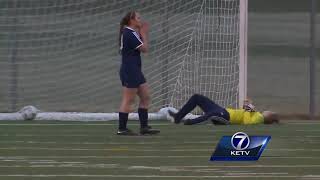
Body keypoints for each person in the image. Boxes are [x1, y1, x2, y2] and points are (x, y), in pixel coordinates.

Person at [117, 11, 160, 135]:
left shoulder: (130, 32)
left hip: (135, 70)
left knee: (145, 97)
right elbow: (145, 49)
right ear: (132, 19)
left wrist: (140, 33)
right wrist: (144, 33)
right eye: (138, 18)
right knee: (128, 100)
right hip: (130, 70)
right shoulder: (129, 33)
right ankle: (122, 128)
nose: (140, 20)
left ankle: (144, 127)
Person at [168, 94, 279, 125]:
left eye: (271, 112)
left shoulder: (260, 118)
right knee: (197, 98)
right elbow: (244, 114)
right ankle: (178, 117)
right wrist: (247, 106)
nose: (268, 110)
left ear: (269, 116)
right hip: (224, 111)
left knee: (213, 114)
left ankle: (190, 122)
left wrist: (248, 108)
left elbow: (247, 122)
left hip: (226, 117)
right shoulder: (257, 114)